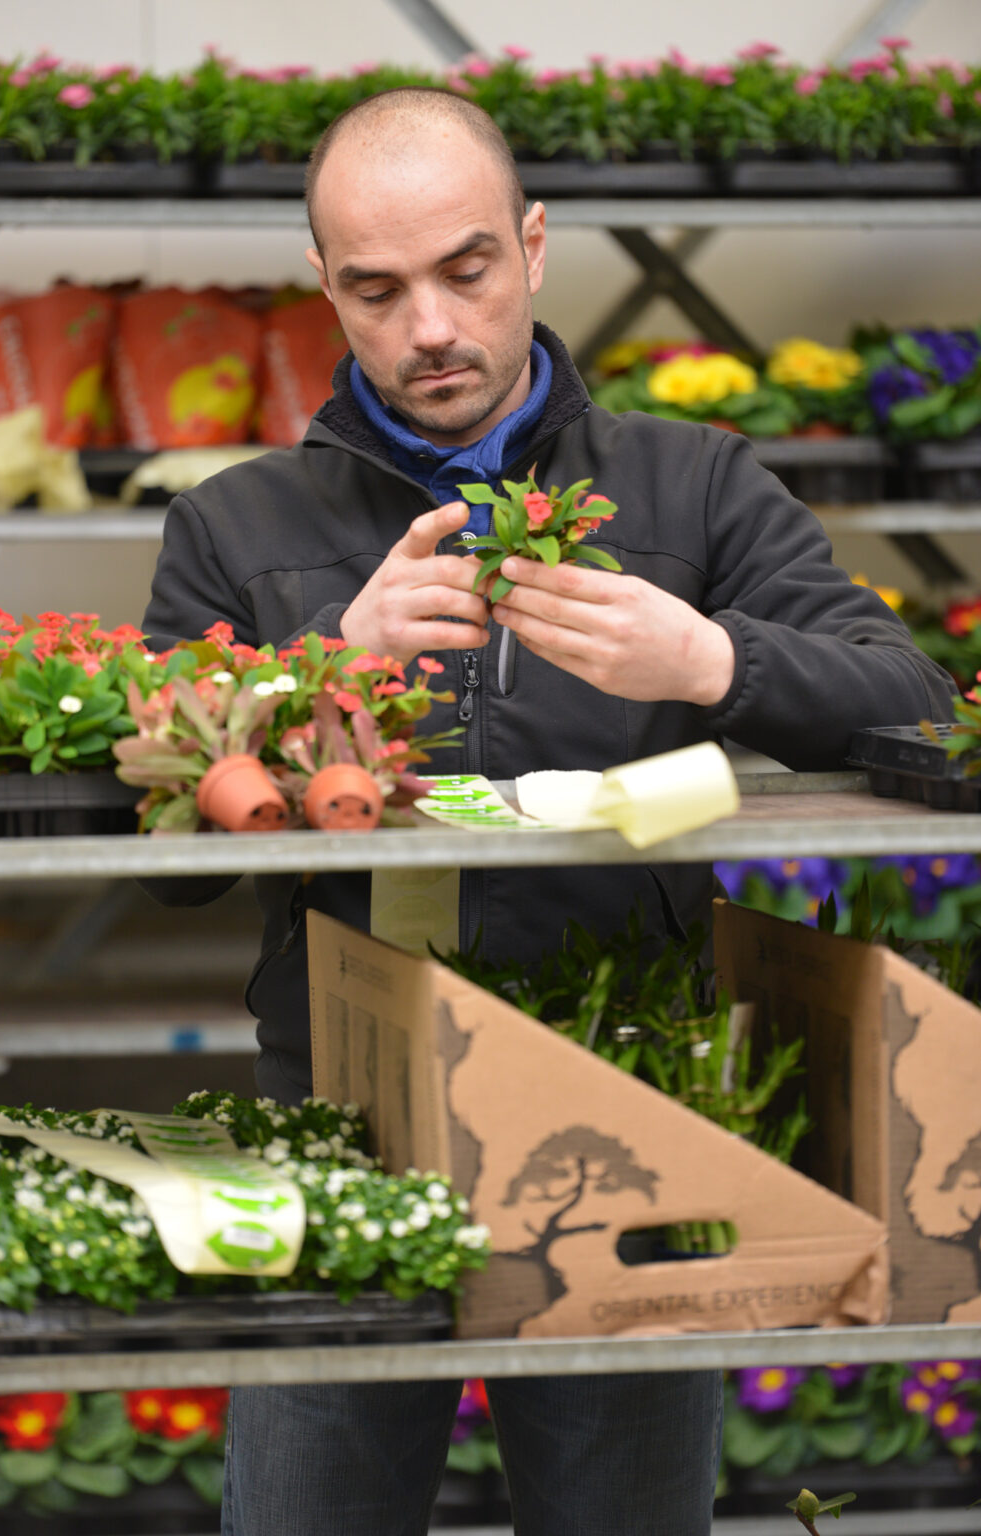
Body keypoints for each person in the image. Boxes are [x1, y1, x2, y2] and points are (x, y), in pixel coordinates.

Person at [140, 89, 956, 1536]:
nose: (429, 329)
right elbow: (166, 877)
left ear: (529, 244)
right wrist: (311, 676)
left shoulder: (686, 486)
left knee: (620, 1513)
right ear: (325, 287)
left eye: (464, 271)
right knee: (308, 1505)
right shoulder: (234, 525)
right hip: (337, 1100)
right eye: (377, 291)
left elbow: (908, 693)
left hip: (631, 1098)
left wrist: (708, 657)